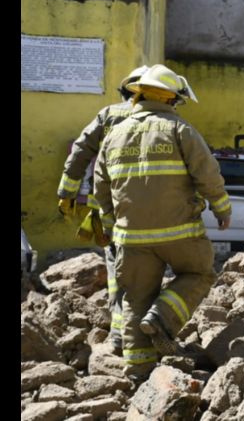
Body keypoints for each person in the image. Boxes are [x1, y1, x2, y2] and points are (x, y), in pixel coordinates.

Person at [93, 64, 231, 380]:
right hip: (180, 234)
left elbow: (101, 187)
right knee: (199, 272)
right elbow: (208, 175)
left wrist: (113, 225)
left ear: (138, 95)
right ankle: (163, 318)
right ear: (170, 99)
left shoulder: (113, 135)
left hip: (131, 239)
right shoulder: (180, 130)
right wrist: (222, 209)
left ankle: (139, 371)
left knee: (135, 299)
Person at [57, 65, 149, 355]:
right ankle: (148, 328)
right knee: (149, 269)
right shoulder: (163, 118)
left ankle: (121, 335)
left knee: (117, 269)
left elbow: (80, 152)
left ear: (124, 92)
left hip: (111, 209)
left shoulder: (109, 115)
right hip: (151, 209)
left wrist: (67, 192)